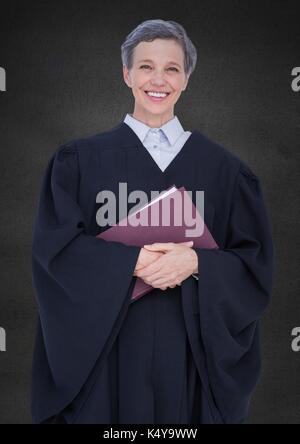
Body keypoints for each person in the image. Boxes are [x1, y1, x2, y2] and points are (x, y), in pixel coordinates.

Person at [31, 19, 274, 424]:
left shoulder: (228, 173)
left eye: (171, 68)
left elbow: (254, 267)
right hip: (106, 361)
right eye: (145, 66)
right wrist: (131, 262)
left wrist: (198, 263)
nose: (157, 79)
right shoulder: (78, 162)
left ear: (186, 80)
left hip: (191, 361)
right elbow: (54, 253)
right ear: (126, 74)